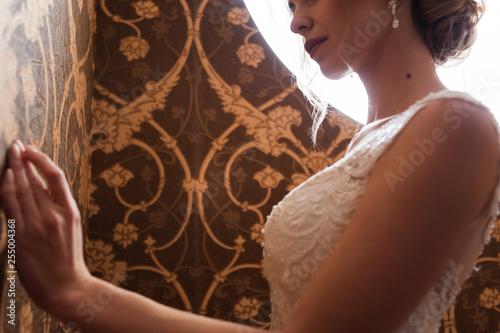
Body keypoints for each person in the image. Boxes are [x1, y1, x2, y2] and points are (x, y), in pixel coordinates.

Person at [2, 0, 499, 332]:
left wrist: (77, 290)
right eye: (290, 4)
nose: (295, 21)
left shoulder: (456, 126)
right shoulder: (379, 142)